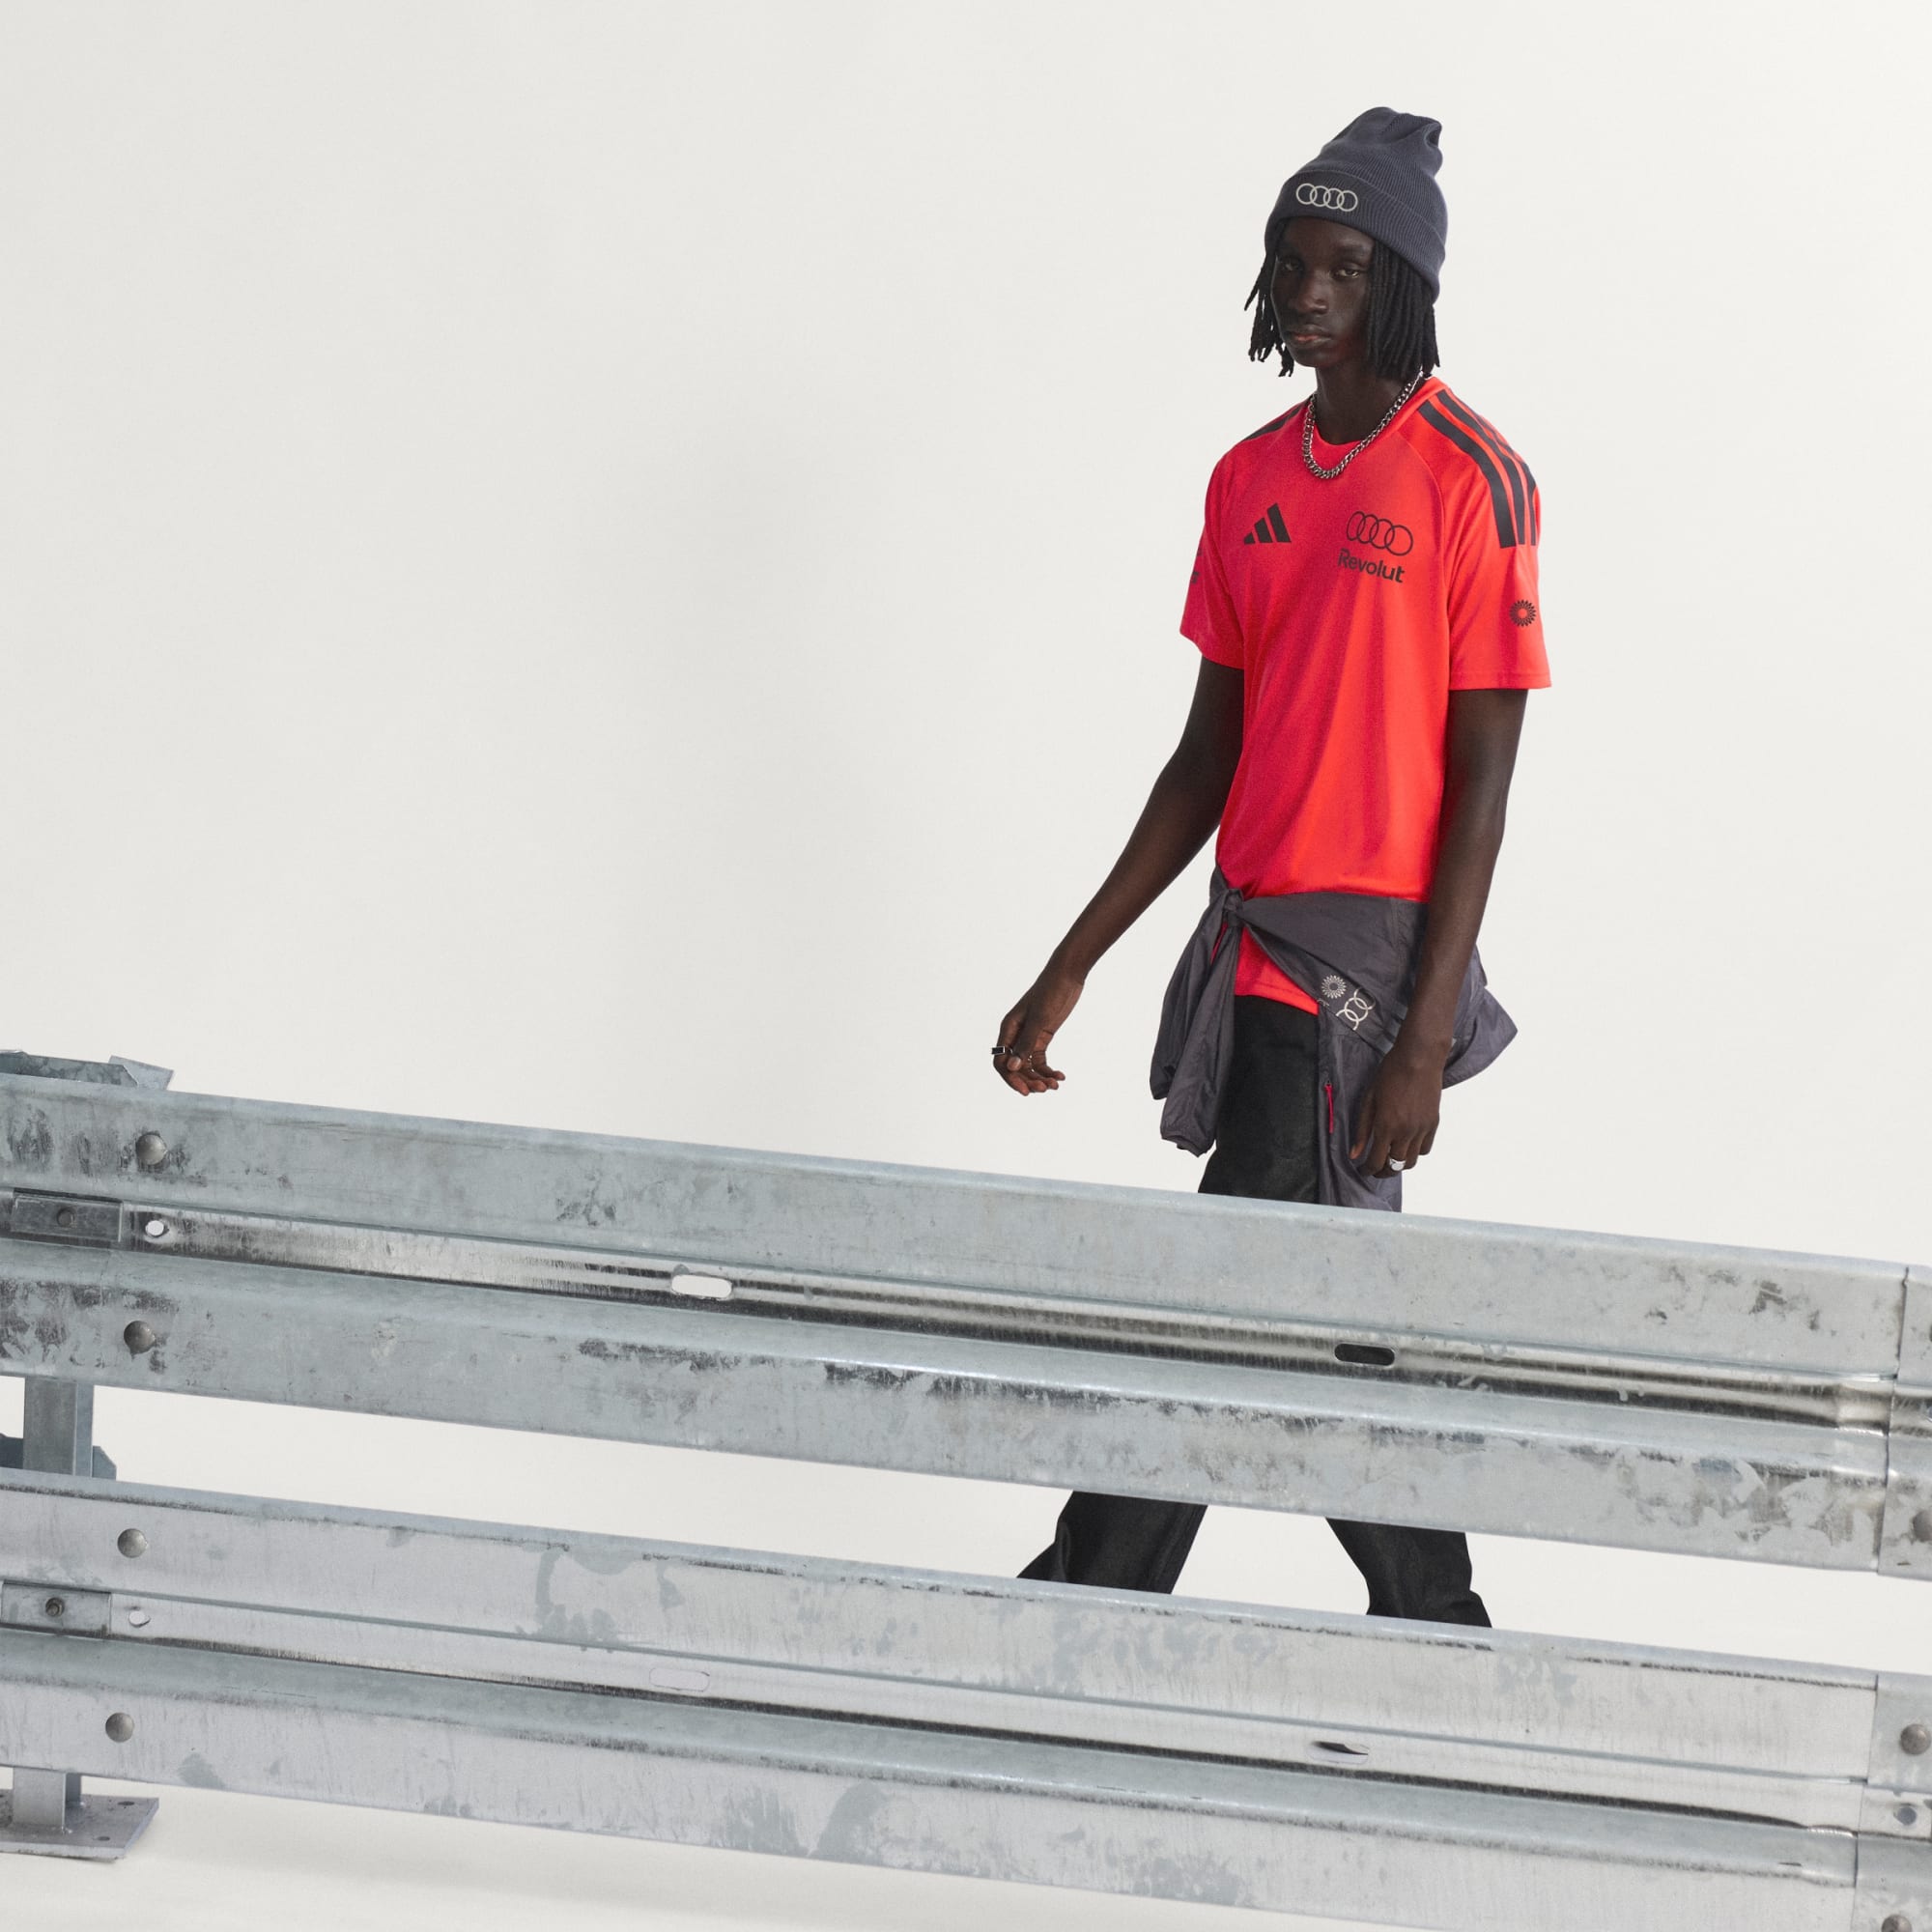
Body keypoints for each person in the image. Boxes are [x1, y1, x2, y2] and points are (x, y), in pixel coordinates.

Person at [990, 107, 1549, 1627]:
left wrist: (1422, 1041)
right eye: (1292, 263)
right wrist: (1072, 961)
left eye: (1344, 268)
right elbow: (1205, 758)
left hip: (1357, 974)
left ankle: (1075, 1609)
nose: (1308, 292)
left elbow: (1484, 789)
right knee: (1313, 1323)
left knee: (1228, 1308)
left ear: (1402, 283)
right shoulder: (1247, 480)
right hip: (1249, 952)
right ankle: (1439, 1636)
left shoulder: (1473, 479)